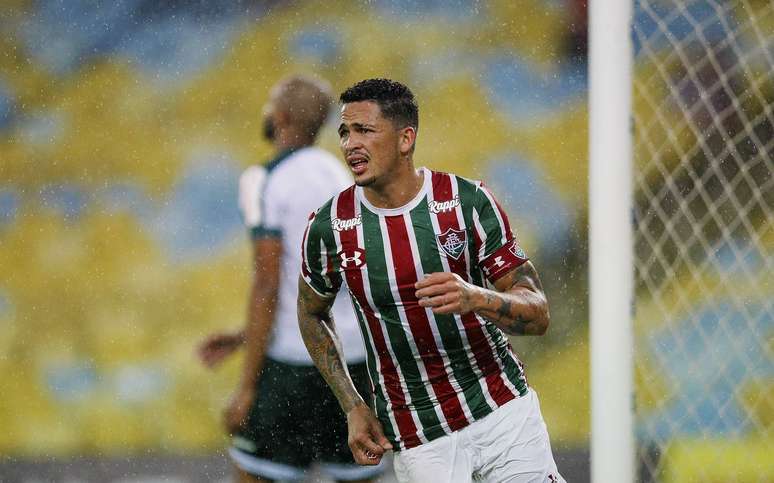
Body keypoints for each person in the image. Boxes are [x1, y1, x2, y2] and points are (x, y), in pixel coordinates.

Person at [297, 78, 565, 483]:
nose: (350, 144)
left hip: (502, 411)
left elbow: (538, 314)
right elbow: (311, 313)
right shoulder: (330, 227)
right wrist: (352, 405)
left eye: (364, 131)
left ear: (406, 139)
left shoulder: (465, 202)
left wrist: (476, 297)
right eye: (344, 132)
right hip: (418, 436)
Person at [197, 75, 385, 483]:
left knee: (256, 474)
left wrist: (247, 388)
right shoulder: (339, 175)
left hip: (294, 367)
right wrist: (243, 335)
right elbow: (333, 277)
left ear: (279, 116)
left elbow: (269, 284)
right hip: (352, 363)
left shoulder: (264, 179)